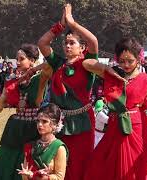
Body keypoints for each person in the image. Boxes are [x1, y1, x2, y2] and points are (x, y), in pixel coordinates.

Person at [38, 4, 124, 180]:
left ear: (82, 48)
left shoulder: (87, 63)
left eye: (72, 43)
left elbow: (94, 42)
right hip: (59, 121)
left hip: (82, 122)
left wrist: (73, 23)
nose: (67, 46)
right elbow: (42, 43)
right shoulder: (58, 63)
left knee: (80, 164)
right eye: (66, 43)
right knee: (59, 164)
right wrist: (61, 25)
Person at [83, 37, 147, 180]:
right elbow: (86, 63)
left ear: (139, 58)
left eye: (130, 61)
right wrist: (108, 68)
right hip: (114, 127)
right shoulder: (113, 75)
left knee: (131, 170)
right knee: (100, 165)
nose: (125, 64)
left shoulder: (146, 81)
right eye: (121, 61)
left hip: (134, 129)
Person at [0, 43, 52, 180]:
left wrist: (33, 70)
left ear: (32, 60)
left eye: (21, 59)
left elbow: (51, 64)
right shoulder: (13, 81)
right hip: (15, 128)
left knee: (25, 167)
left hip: (33, 128)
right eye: (16, 59)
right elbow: (0, 103)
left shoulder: (39, 78)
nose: (17, 62)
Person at [18, 103, 68, 180]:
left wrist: (43, 177)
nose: (39, 125)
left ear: (55, 124)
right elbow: (24, 176)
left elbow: (60, 177)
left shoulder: (59, 148)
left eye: (44, 121)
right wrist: (28, 175)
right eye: (38, 121)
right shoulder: (31, 146)